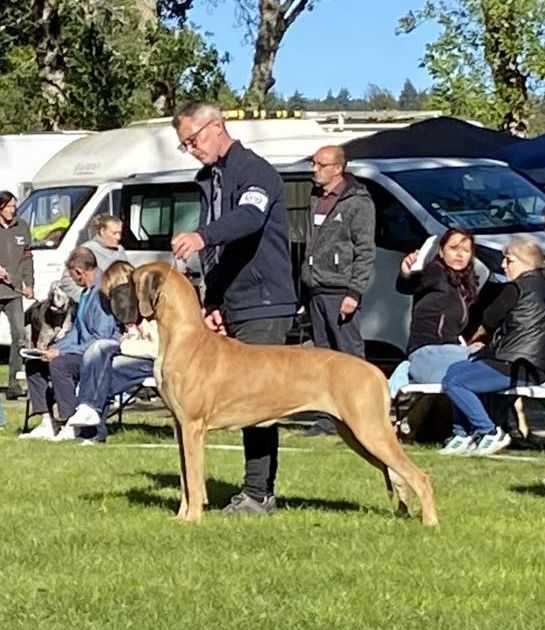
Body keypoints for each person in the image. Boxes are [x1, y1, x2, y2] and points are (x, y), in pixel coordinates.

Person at [171, 100, 296, 516]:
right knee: (243, 402)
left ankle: (258, 494)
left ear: (216, 125)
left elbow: (249, 219)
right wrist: (213, 299)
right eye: (184, 144)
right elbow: (226, 256)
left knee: (260, 402)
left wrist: (202, 235)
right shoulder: (210, 179)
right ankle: (238, 492)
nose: (190, 148)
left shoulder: (254, 171)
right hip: (235, 301)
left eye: (192, 139)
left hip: (266, 301)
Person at [441, 236, 545, 456]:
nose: (503, 265)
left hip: (515, 363)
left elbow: (489, 318)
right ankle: (462, 435)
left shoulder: (516, 288)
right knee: (457, 370)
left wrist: (479, 340)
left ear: (526, 262)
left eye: (509, 260)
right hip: (533, 365)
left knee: (454, 381)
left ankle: (487, 431)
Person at [300, 145, 375, 436]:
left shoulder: (357, 202)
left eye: (320, 165)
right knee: (322, 356)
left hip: (340, 289)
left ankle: (361, 413)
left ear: (337, 168)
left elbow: (365, 251)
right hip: (316, 288)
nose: (314, 169)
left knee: (349, 355)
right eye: (314, 163)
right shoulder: (314, 198)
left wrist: (354, 292)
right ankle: (325, 417)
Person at [20, 246, 118, 441]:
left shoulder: (101, 294)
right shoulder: (85, 293)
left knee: (59, 365)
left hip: (97, 355)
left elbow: (100, 337)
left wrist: (62, 354)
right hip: (81, 349)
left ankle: (71, 422)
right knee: (35, 363)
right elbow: (77, 331)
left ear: (80, 271)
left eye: (72, 274)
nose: (71, 279)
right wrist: (57, 348)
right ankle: (47, 421)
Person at [63, 261, 158, 444]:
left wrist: (125, 346)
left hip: (151, 359)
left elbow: (155, 348)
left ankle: (91, 423)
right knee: (99, 351)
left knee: (105, 366)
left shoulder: (149, 309)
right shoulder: (124, 312)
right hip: (130, 352)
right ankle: (89, 414)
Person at [389, 228, 479, 397]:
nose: (460, 254)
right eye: (453, 248)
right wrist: (407, 272)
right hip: (428, 350)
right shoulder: (435, 271)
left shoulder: (465, 284)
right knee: (477, 368)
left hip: (451, 351)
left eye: (466, 250)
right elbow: (407, 286)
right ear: (441, 252)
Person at [0, 190, 34, 399]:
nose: (14, 210)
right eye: (10, 206)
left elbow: (27, 258)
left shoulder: (21, 227)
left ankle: (14, 383)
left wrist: (29, 283)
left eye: (15, 206)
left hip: (13, 293)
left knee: (19, 335)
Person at [60, 214, 128, 302]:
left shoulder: (120, 251)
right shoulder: (86, 250)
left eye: (120, 233)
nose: (118, 237)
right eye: (114, 233)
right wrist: (87, 299)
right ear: (102, 231)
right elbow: (67, 281)